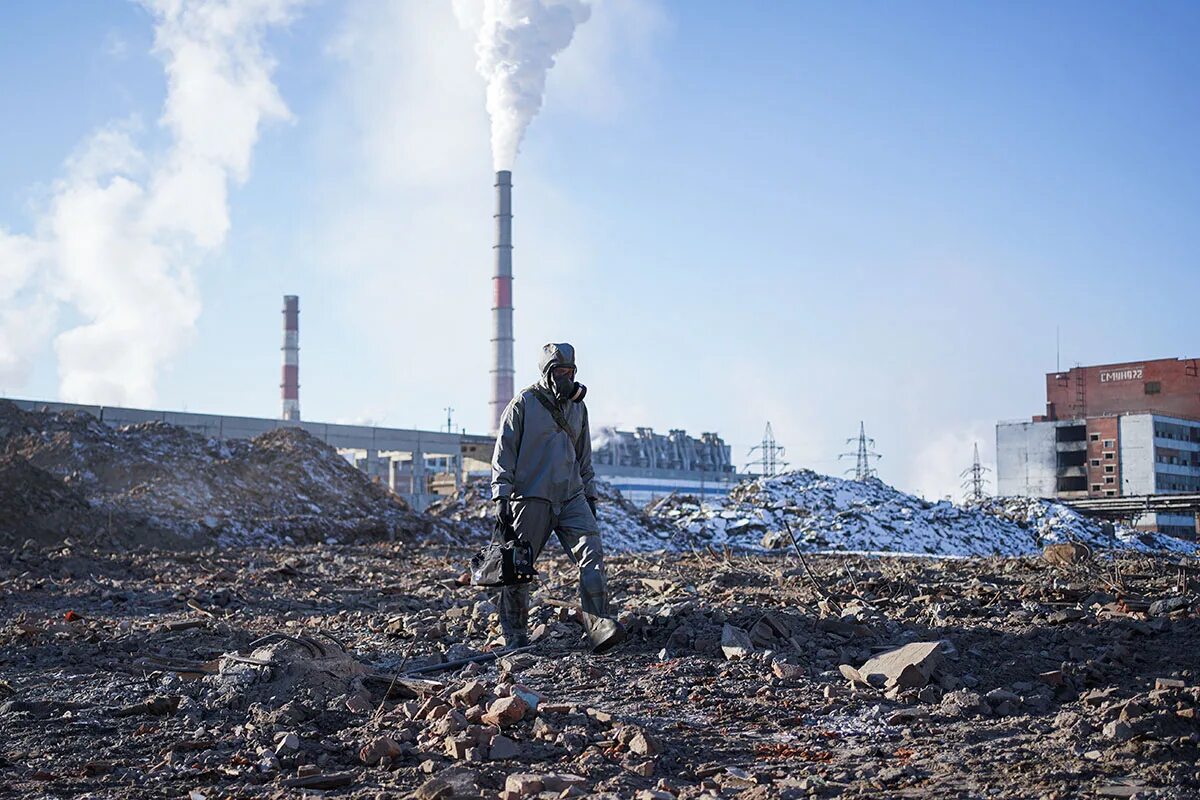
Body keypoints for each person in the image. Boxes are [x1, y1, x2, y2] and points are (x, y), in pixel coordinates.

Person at [491, 342, 627, 654]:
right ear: (548, 372)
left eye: (570, 371)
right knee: (517, 568)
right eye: (560, 371)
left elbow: (585, 457)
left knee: (592, 556)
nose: (566, 376)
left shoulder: (579, 408)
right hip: (531, 498)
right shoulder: (523, 404)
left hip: (571, 497)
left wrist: (589, 497)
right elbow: (504, 453)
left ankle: (599, 625)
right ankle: (515, 637)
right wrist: (501, 495)